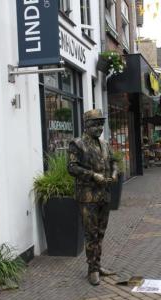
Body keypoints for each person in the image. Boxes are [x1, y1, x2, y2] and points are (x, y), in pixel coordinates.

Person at [68, 109, 118, 285]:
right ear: (87, 125)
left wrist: (114, 172)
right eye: (96, 123)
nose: (99, 127)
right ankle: (92, 270)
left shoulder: (104, 144)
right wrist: (92, 175)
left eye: (101, 123)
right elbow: (72, 168)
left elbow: (114, 161)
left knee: (101, 233)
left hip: (104, 195)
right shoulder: (77, 144)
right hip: (88, 196)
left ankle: (97, 265)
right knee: (91, 234)